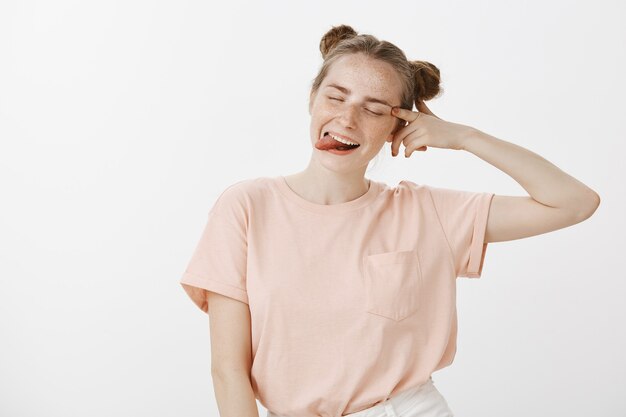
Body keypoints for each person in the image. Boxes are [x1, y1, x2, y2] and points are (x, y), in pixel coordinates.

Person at [179, 24, 600, 417]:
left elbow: (574, 203)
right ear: (312, 98)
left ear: (398, 126)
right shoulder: (246, 207)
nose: (347, 120)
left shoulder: (426, 212)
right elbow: (228, 369)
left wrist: (465, 138)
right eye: (335, 96)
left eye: (374, 109)